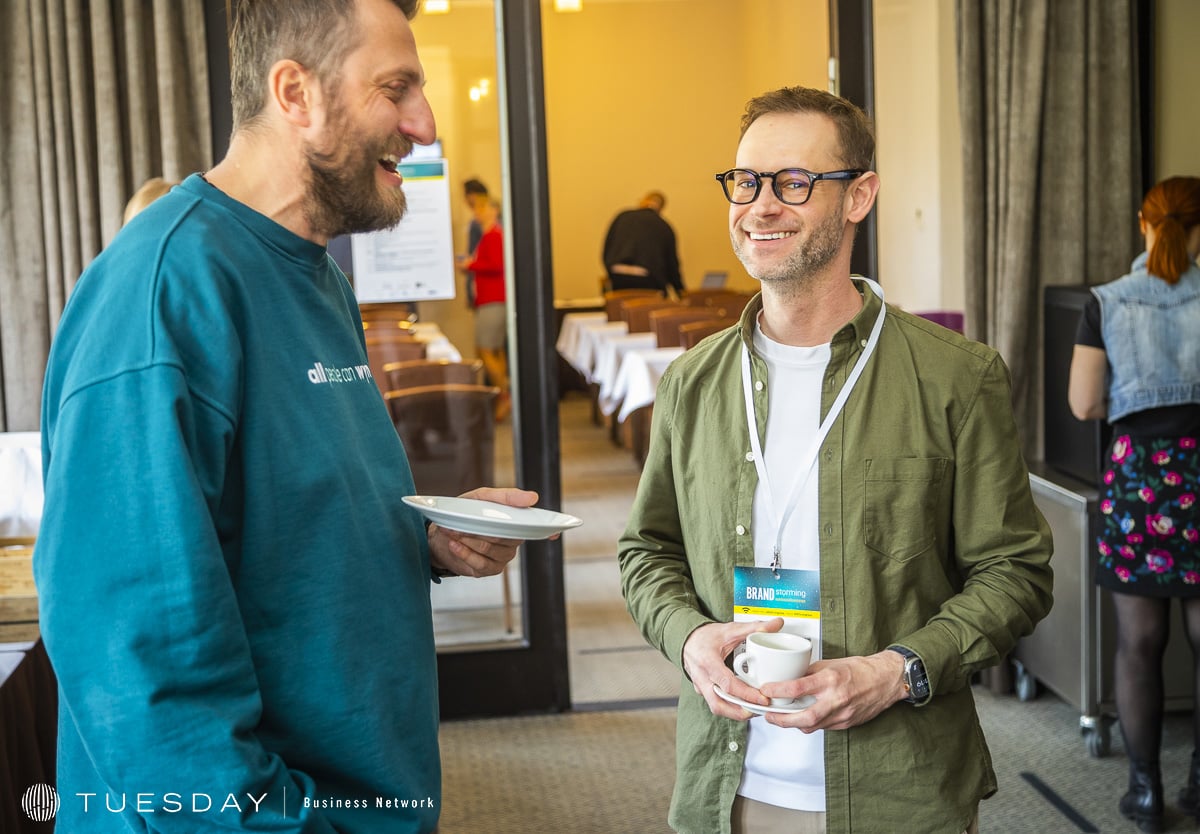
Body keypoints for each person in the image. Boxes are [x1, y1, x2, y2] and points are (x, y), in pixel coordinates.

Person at [35, 1, 539, 832]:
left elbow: (280, 514)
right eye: (396, 89)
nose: (425, 125)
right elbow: (135, 667)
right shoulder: (163, 292)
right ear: (295, 93)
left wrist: (422, 539)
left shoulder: (317, 276)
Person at [617, 85, 1054, 834]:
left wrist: (898, 671)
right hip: (727, 787)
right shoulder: (692, 382)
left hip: (899, 791)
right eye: (745, 181)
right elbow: (646, 550)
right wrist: (687, 638)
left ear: (859, 196)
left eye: (793, 182)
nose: (760, 206)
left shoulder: (956, 377)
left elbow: (1015, 572)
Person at [1068, 175, 1200, 833]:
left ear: (1144, 225)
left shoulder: (1107, 301)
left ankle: (1146, 794)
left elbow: (1084, 403)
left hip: (1140, 483)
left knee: (1139, 643)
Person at [458, 198, 511, 421]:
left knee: (486, 349)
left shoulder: (494, 235)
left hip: (493, 300)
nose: (478, 212)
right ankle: (503, 393)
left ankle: (505, 394)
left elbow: (497, 265)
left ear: (495, 211)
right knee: (493, 350)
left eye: (483, 208)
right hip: (488, 300)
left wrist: (471, 265)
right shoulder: (488, 235)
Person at [601, 190, 684, 295]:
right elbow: (672, 265)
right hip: (649, 280)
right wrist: (681, 292)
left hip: (617, 274)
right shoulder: (664, 227)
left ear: (642, 201)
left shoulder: (622, 216)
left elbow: (607, 248)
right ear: (661, 208)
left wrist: (609, 269)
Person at [461, 177, 490, 307]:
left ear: (472, 195)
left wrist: (468, 264)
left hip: (483, 284)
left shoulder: (480, 223)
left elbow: (475, 254)